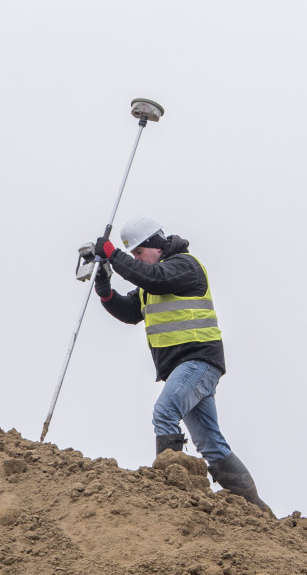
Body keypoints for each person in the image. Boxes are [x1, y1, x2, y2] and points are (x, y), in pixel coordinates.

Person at [90, 214, 269, 511]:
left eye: (138, 252)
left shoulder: (185, 266)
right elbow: (130, 312)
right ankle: (255, 509)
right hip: (184, 368)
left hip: (198, 360)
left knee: (164, 411)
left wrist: (112, 254)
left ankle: (170, 490)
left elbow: (153, 278)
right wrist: (105, 291)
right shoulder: (152, 281)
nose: (137, 260)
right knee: (211, 443)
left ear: (155, 245)